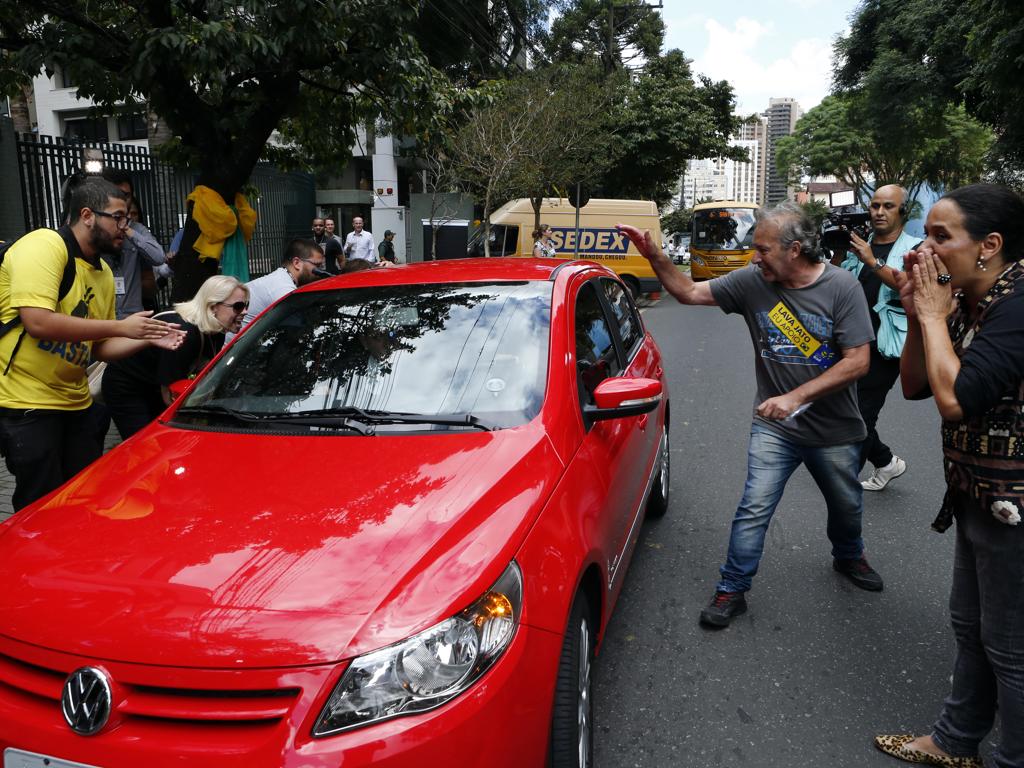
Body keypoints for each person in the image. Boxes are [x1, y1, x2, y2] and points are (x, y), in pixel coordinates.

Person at [619, 203, 883, 629]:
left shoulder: (842, 287)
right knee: (754, 506)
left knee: (846, 506)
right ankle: (733, 588)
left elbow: (858, 362)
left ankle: (849, 556)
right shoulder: (753, 282)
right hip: (774, 427)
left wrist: (795, 397)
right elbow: (688, 293)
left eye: (762, 249)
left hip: (835, 430)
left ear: (794, 249)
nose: (753, 257)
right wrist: (656, 256)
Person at [874, 184, 1024, 768]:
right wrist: (918, 318)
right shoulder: (968, 299)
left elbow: (956, 399)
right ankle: (956, 740)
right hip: (975, 492)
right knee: (971, 625)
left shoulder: (1016, 304)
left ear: (989, 245)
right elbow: (915, 385)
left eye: (940, 237)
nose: (922, 252)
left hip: (1013, 503)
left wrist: (936, 316)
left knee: (1010, 648)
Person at [0, 177, 184, 511]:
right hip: (29, 405)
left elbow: (98, 348)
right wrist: (121, 326)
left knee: (81, 505)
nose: (125, 227)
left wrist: (145, 336)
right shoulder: (44, 245)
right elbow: (37, 321)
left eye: (127, 218)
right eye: (117, 217)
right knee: (39, 510)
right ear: (87, 215)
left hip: (76, 405)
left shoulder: (100, 272)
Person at [835, 184, 916, 491]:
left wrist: (872, 260)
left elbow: (907, 285)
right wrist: (841, 251)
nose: (879, 212)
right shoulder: (859, 243)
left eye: (888, 206)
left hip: (885, 346)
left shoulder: (915, 247)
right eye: (875, 206)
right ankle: (885, 461)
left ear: (902, 212)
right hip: (850, 341)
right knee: (845, 409)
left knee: (858, 417)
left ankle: (843, 487)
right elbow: (834, 279)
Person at [102, 275, 249, 439]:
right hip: (127, 387)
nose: (245, 311)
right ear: (213, 307)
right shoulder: (185, 332)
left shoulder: (216, 330)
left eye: (246, 305)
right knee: (143, 443)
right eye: (238, 306)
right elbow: (169, 396)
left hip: (153, 384)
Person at [99, 167, 167, 320]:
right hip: (103, 319)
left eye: (126, 195)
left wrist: (127, 230)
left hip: (132, 318)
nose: (122, 200)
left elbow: (158, 257)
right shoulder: (93, 230)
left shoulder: (136, 230)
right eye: (115, 194)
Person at [227, 238, 325, 340]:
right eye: (317, 266)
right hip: (234, 350)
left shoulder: (280, 278)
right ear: (296, 263)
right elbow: (299, 331)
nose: (320, 272)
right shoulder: (283, 289)